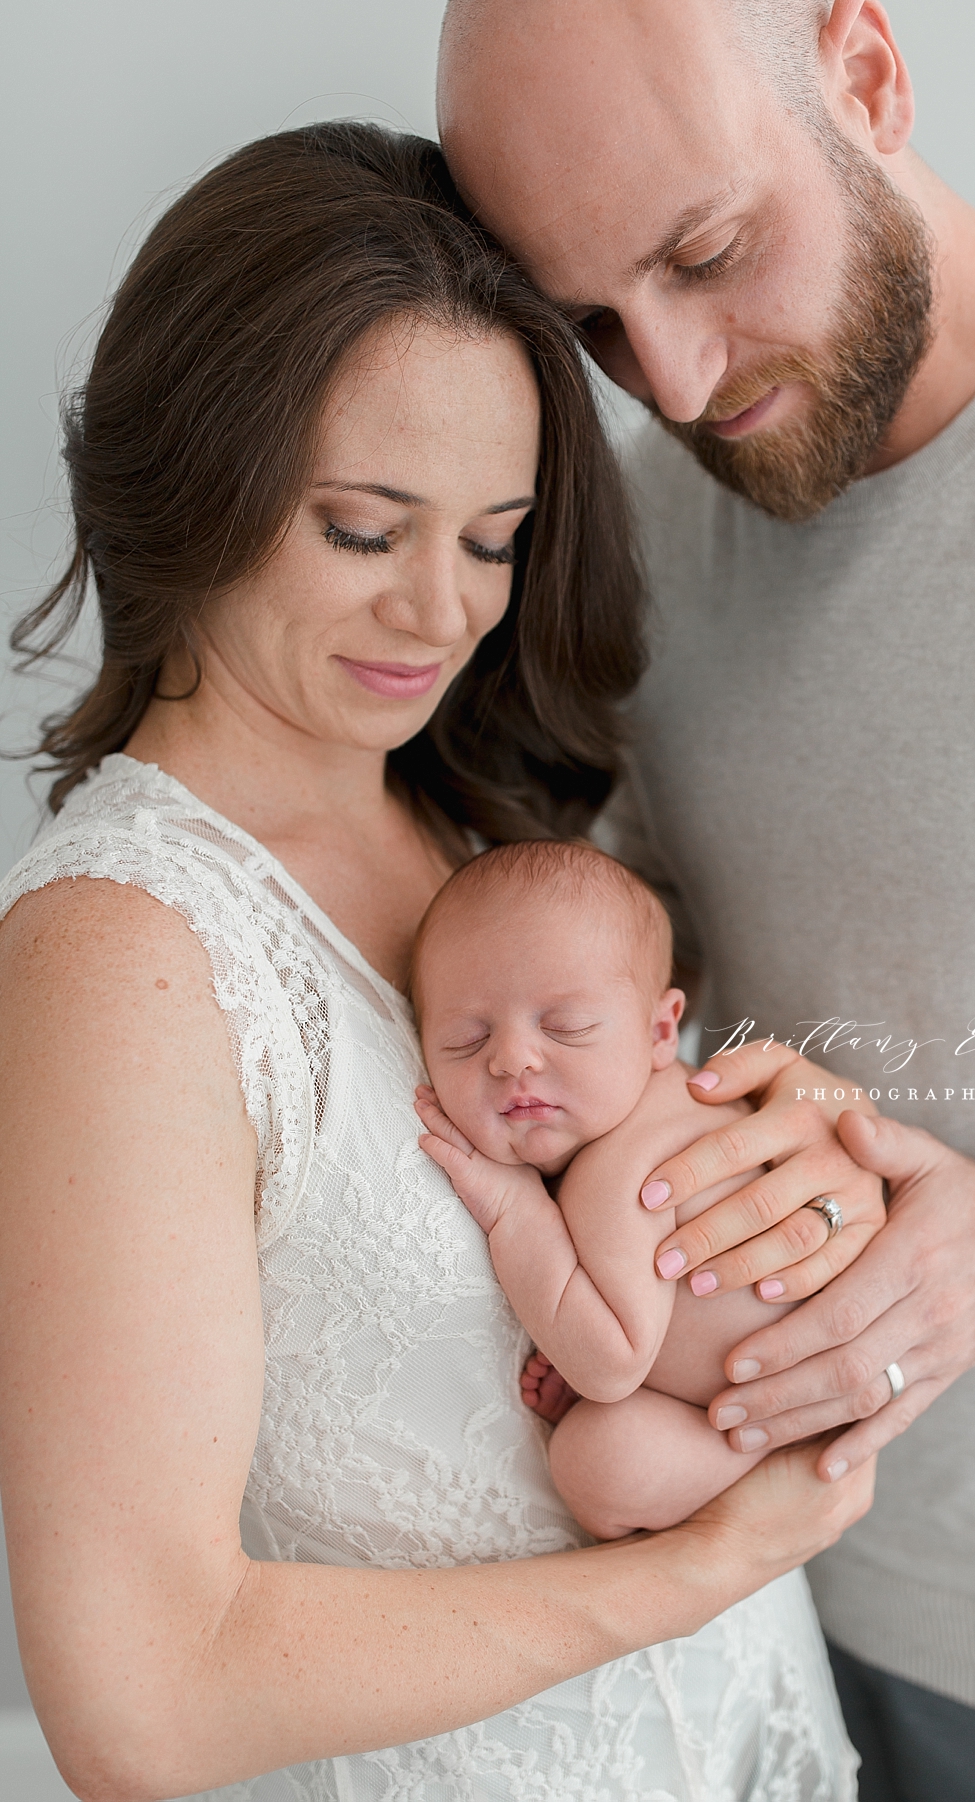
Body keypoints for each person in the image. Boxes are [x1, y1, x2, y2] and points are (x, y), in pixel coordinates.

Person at [436, 0, 975, 1798]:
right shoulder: (635, 519)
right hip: (749, 1603)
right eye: (595, 321)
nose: (676, 378)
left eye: (704, 254)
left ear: (864, 75)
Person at [0, 121, 880, 1802]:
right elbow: (138, 1701)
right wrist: (687, 1572)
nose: (439, 613)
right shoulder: (123, 959)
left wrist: (796, 1195)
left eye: (490, 539)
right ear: (191, 476)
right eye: (360, 527)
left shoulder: (487, 837)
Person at [412, 837, 882, 1539]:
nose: (511, 1059)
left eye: (565, 1028)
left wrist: (514, 1209)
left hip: (790, 1406)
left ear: (661, 1029)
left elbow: (608, 1365)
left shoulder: (624, 1167)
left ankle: (768, 1476)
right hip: (812, 1360)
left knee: (600, 1465)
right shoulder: (668, 1098)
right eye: (465, 1039)